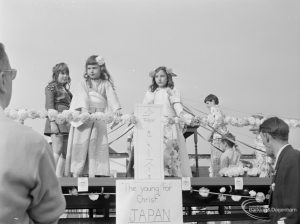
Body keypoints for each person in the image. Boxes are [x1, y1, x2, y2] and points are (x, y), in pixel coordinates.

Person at [0, 44, 65, 222]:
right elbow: (48, 217)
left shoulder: (65, 90)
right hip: (58, 123)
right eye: (12, 75)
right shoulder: (31, 144)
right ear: (3, 81)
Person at [65, 55, 122, 177]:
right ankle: (78, 171)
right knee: (82, 143)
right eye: (89, 68)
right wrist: (85, 112)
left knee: (98, 145)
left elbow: (112, 97)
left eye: (94, 68)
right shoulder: (84, 82)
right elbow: (81, 97)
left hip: (99, 117)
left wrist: (116, 108)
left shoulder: (106, 84)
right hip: (85, 117)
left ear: (101, 68)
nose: (91, 71)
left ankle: (97, 172)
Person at [142, 66, 192, 177]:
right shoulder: (151, 93)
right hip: (156, 127)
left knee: (170, 151)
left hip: (169, 126)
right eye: (157, 76)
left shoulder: (172, 91)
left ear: (168, 77)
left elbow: (177, 104)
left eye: (162, 76)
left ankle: (173, 174)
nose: (159, 79)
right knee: (157, 152)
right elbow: (145, 108)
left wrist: (181, 114)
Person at [259, 117, 300, 223]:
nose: (262, 143)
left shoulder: (291, 158)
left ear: (266, 136)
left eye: (261, 139)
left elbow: (295, 210)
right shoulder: (286, 157)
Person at [44, 62, 72, 177]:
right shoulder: (51, 87)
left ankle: (59, 177)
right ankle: (48, 176)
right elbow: (49, 106)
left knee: (65, 151)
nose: (64, 76)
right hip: (56, 120)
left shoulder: (68, 91)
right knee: (57, 149)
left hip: (67, 123)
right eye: (62, 73)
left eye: (66, 73)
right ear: (56, 74)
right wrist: (52, 123)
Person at [204, 94, 228, 177]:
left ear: (213, 101)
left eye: (207, 103)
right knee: (219, 158)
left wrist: (210, 133)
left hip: (218, 137)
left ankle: (217, 177)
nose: (206, 106)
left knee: (216, 158)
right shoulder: (219, 109)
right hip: (220, 137)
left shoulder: (214, 109)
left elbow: (217, 121)